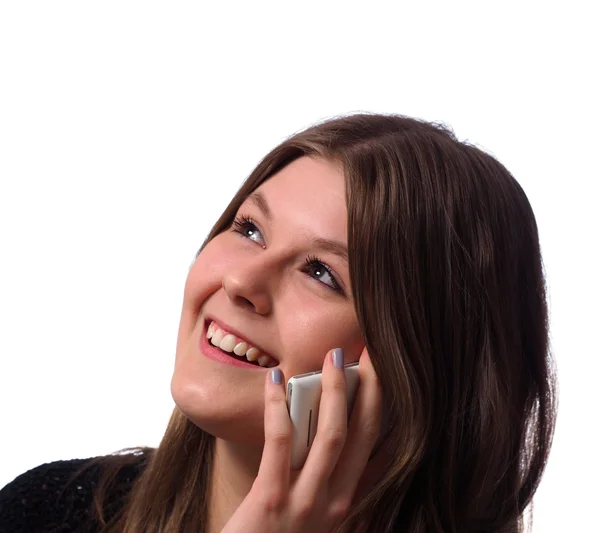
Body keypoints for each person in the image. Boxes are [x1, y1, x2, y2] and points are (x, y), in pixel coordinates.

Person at [0, 113, 557, 533]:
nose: (241, 281)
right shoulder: (49, 510)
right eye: (249, 230)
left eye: (321, 272)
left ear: (415, 368)